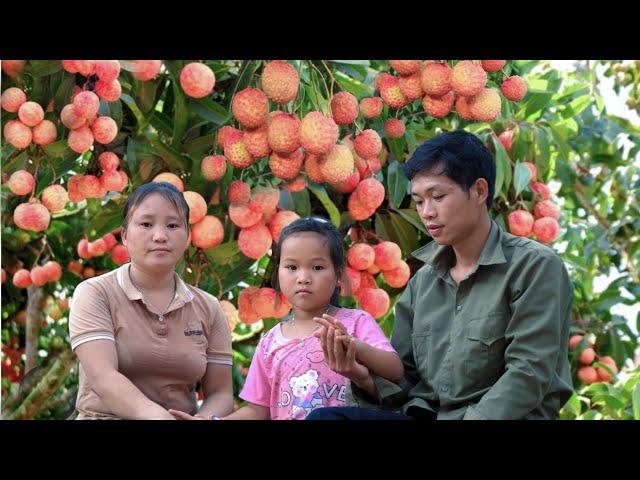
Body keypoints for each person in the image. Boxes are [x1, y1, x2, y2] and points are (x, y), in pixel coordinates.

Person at [307, 130, 574, 420]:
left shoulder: (535, 266)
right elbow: (405, 380)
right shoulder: (422, 282)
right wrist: (361, 376)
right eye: (419, 201)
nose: (427, 212)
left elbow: (528, 374)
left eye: (438, 196)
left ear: (479, 191)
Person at [170, 217, 403, 420]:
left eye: (318, 267)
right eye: (291, 267)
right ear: (278, 273)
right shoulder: (270, 342)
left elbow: (395, 371)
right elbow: (257, 410)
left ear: (339, 276)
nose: (303, 277)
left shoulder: (355, 322)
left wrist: (355, 347)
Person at [69, 182, 233, 419]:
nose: (159, 236)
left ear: (187, 237)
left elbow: (221, 394)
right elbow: (103, 376)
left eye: (173, 225)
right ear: (124, 235)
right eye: (146, 224)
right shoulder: (95, 293)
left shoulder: (209, 307)